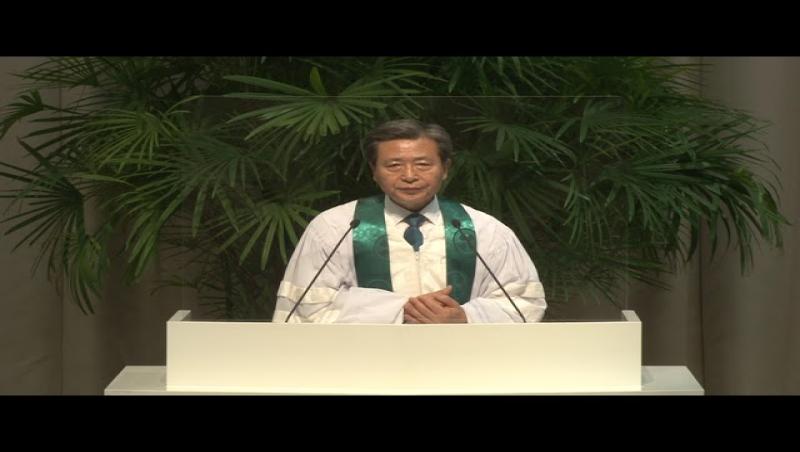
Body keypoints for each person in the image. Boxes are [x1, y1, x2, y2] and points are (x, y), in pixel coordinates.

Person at [272, 119, 546, 323]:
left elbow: (525, 303)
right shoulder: (334, 227)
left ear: (445, 169)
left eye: (423, 164)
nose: (409, 175)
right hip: (364, 365)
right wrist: (400, 310)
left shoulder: (486, 230)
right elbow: (304, 309)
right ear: (374, 171)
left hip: (460, 362)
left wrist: (465, 317)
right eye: (394, 165)